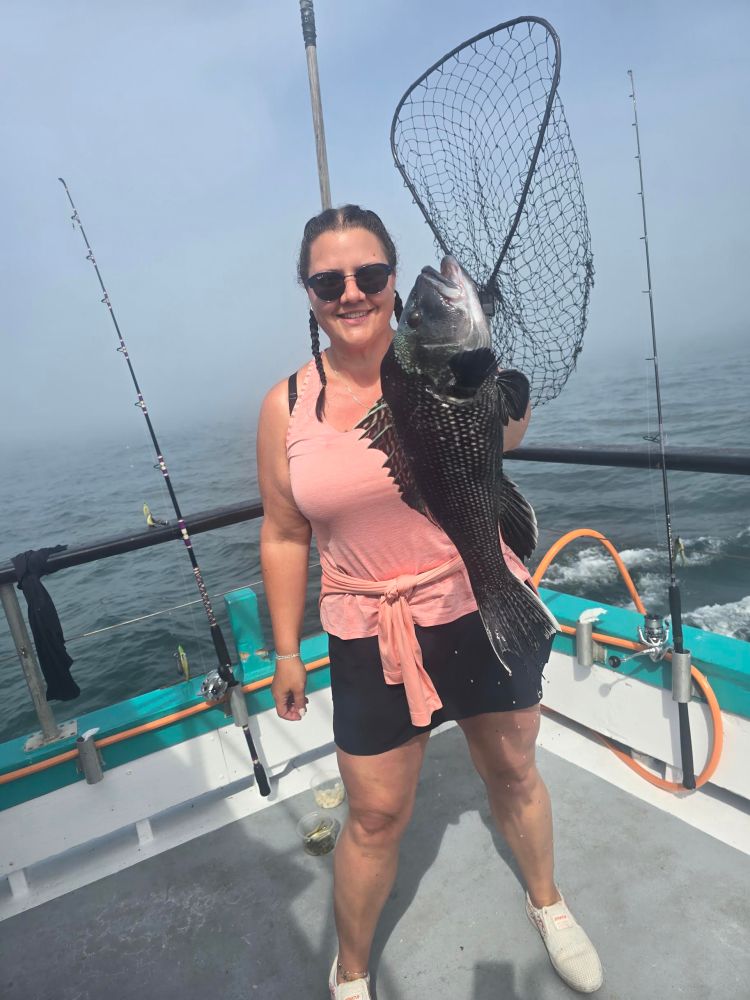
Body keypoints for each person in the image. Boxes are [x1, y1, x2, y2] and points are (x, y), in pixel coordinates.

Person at [256, 205, 603, 999]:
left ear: (391, 285)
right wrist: (283, 651)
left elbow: (507, 433)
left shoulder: (440, 368)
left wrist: (480, 356)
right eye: (328, 280)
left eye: (371, 276)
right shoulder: (286, 405)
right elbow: (283, 533)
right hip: (368, 625)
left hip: (476, 598)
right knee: (375, 816)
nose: (352, 293)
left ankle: (547, 901)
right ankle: (350, 972)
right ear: (307, 291)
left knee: (514, 771)